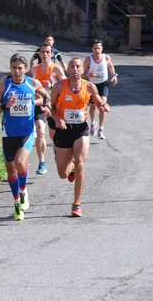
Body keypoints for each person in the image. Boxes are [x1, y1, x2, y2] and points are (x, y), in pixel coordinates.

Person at [0, 53, 51, 221]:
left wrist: (46, 106)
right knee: (11, 170)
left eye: (20, 68)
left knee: (20, 162)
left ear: (26, 68)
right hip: (8, 133)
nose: (17, 71)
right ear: (10, 68)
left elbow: (46, 95)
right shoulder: (4, 86)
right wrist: (6, 105)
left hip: (27, 132)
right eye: (14, 68)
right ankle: (17, 202)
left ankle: (23, 190)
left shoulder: (32, 83)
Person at [50, 57, 110, 217]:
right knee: (63, 174)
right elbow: (50, 107)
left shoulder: (89, 87)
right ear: (67, 69)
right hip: (63, 130)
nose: (75, 69)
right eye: (72, 66)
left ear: (83, 70)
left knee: (82, 163)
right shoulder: (59, 87)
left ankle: (76, 204)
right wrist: (57, 119)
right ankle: (70, 164)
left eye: (78, 66)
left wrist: (102, 105)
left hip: (80, 129)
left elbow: (97, 102)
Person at [31, 43, 66, 174]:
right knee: (40, 131)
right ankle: (42, 162)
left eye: (47, 52)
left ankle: (57, 147)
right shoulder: (35, 70)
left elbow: (65, 87)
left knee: (53, 134)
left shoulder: (56, 69)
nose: (45, 54)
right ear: (39, 54)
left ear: (52, 54)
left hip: (54, 105)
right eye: (43, 52)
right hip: (39, 104)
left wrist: (52, 85)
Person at [82, 39, 117, 140]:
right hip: (92, 86)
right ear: (92, 49)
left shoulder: (106, 57)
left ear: (102, 48)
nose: (97, 50)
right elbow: (82, 73)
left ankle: (101, 129)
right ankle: (93, 123)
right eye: (95, 48)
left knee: (102, 105)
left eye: (99, 48)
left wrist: (114, 75)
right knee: (93, 106)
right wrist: (88, 74)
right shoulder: (88, 60)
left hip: (103, 84)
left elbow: (110, 66)